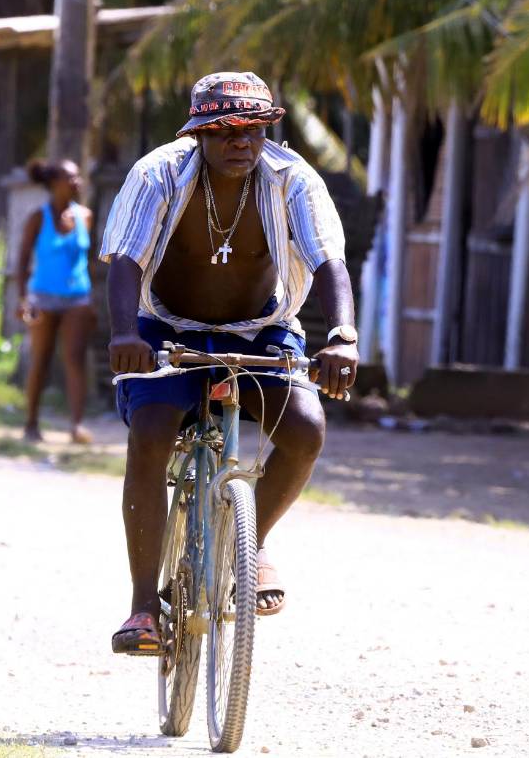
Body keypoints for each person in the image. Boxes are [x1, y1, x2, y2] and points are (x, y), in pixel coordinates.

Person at [101, 72, 358, 654]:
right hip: (166, 328)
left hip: (263, 333)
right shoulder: (158, 173)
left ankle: (254, 542)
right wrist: (123, 335)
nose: (240, 142)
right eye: (223, 131)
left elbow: (328, 261)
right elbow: (125, 259)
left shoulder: (293, 178)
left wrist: (342, 336)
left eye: (253, 129)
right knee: (151, 432)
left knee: (305, 431)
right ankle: (144, 608)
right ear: (197, 134)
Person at [15, 159, 95, 444]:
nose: (77, 182)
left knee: (74, 358)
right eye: (70, 178)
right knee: (41, 359)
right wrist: (23, 300)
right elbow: (23, 260)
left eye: (78, 178)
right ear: (54, 182)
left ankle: (76, 425)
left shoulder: (85, 216)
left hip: (78, 298)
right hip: (42, 298)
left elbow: (91, 260)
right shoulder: (38, 217)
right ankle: (31, 423)